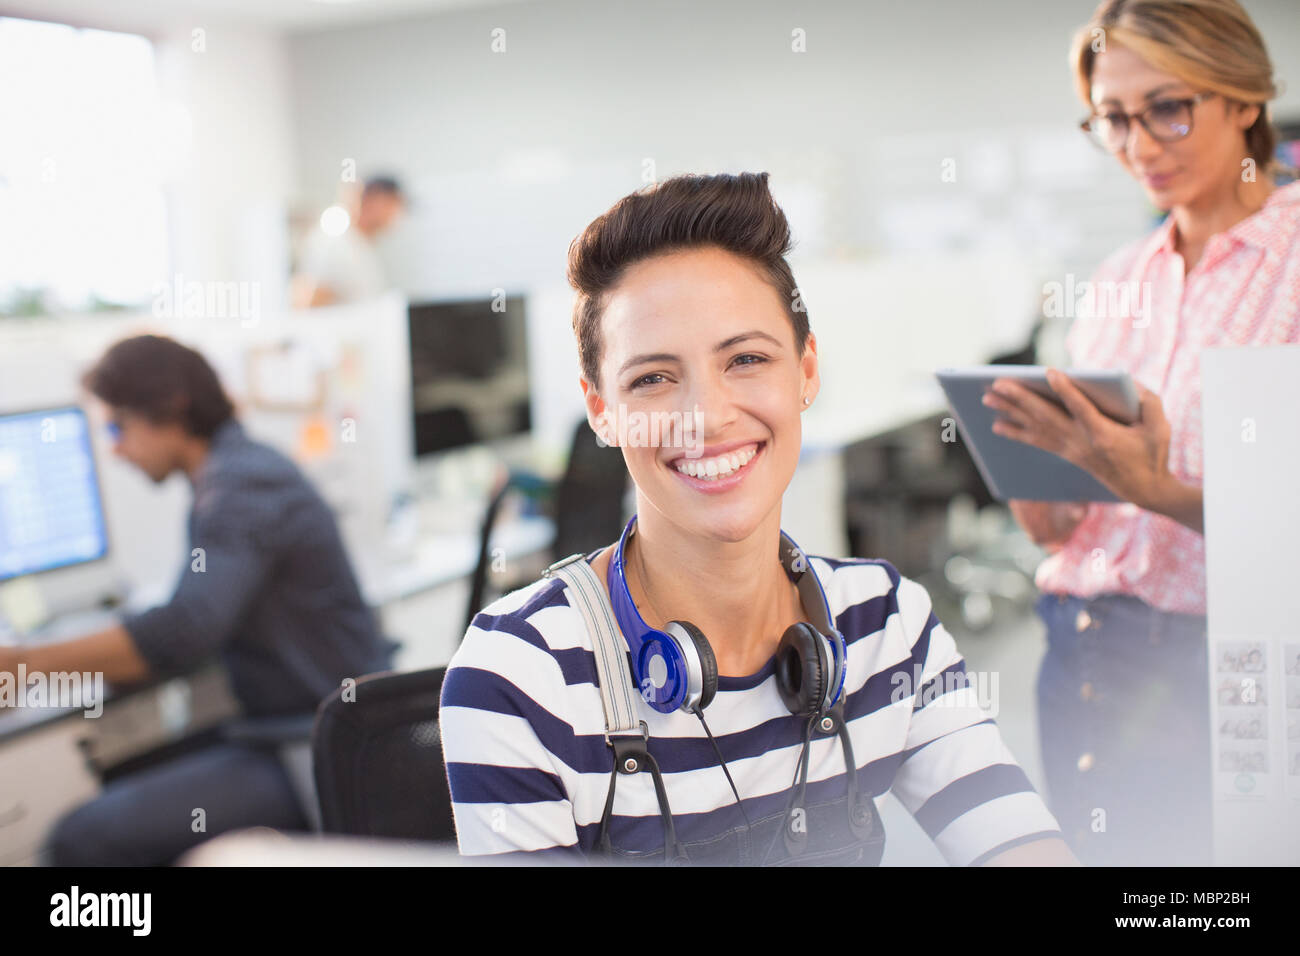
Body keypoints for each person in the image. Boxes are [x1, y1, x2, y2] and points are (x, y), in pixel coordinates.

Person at [439, 171, 1077, 866]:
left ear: (806, 372)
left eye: (745, 360)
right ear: (600, 409)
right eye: (652, 378)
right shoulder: (518, 675)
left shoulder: (881, 622)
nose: (707, 418)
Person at [983, 0, 1299, 866]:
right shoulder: (1121, 278)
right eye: (1113, 121)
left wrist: (1150, 486)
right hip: (1079, 643)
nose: (1140, 145)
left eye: (1168, 108)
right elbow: (1060, 525)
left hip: (1218, 663)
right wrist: (1029, 467)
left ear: (1244, 97)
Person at [0, 335, 396, 865]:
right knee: (130, 771)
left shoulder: (242, 486)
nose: (114, 449)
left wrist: (24, 666)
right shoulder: (236, 472)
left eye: (118, 426)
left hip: (316, 745)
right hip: (299, 725)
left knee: (79, 837)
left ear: (170, 407)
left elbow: (187, 627)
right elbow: (193, 620)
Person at [292, 175, 405, 307]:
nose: (398, 215)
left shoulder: (361, 245)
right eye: (395, 205)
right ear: (377, 200)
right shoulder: (335, 244)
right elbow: (309, 306)